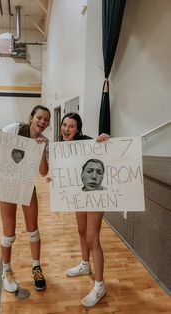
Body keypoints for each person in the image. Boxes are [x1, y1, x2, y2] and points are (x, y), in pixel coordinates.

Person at [0, 105, 51, 293]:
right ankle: (6, 270)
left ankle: (36, 267)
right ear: (31, 117)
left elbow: (43, 172)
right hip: (7, 185)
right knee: (9, 232)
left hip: (26, 185)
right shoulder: (14, 129)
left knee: (33, 230)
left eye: (46, 119)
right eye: (39, 117)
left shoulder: (44, 141)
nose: (42, 122)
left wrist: (40, 150)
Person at [53, 112, 110, 307]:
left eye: (71, 126)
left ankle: (100, 285)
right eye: (64, 125)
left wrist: (106, 140)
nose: (66, 129)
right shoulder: (61, 146)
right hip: (80, 194)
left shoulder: (87, 142)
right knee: (82, 232)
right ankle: (85, 265)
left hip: (95, 195)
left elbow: (107, 152)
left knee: (93, 237)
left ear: (78, 129)